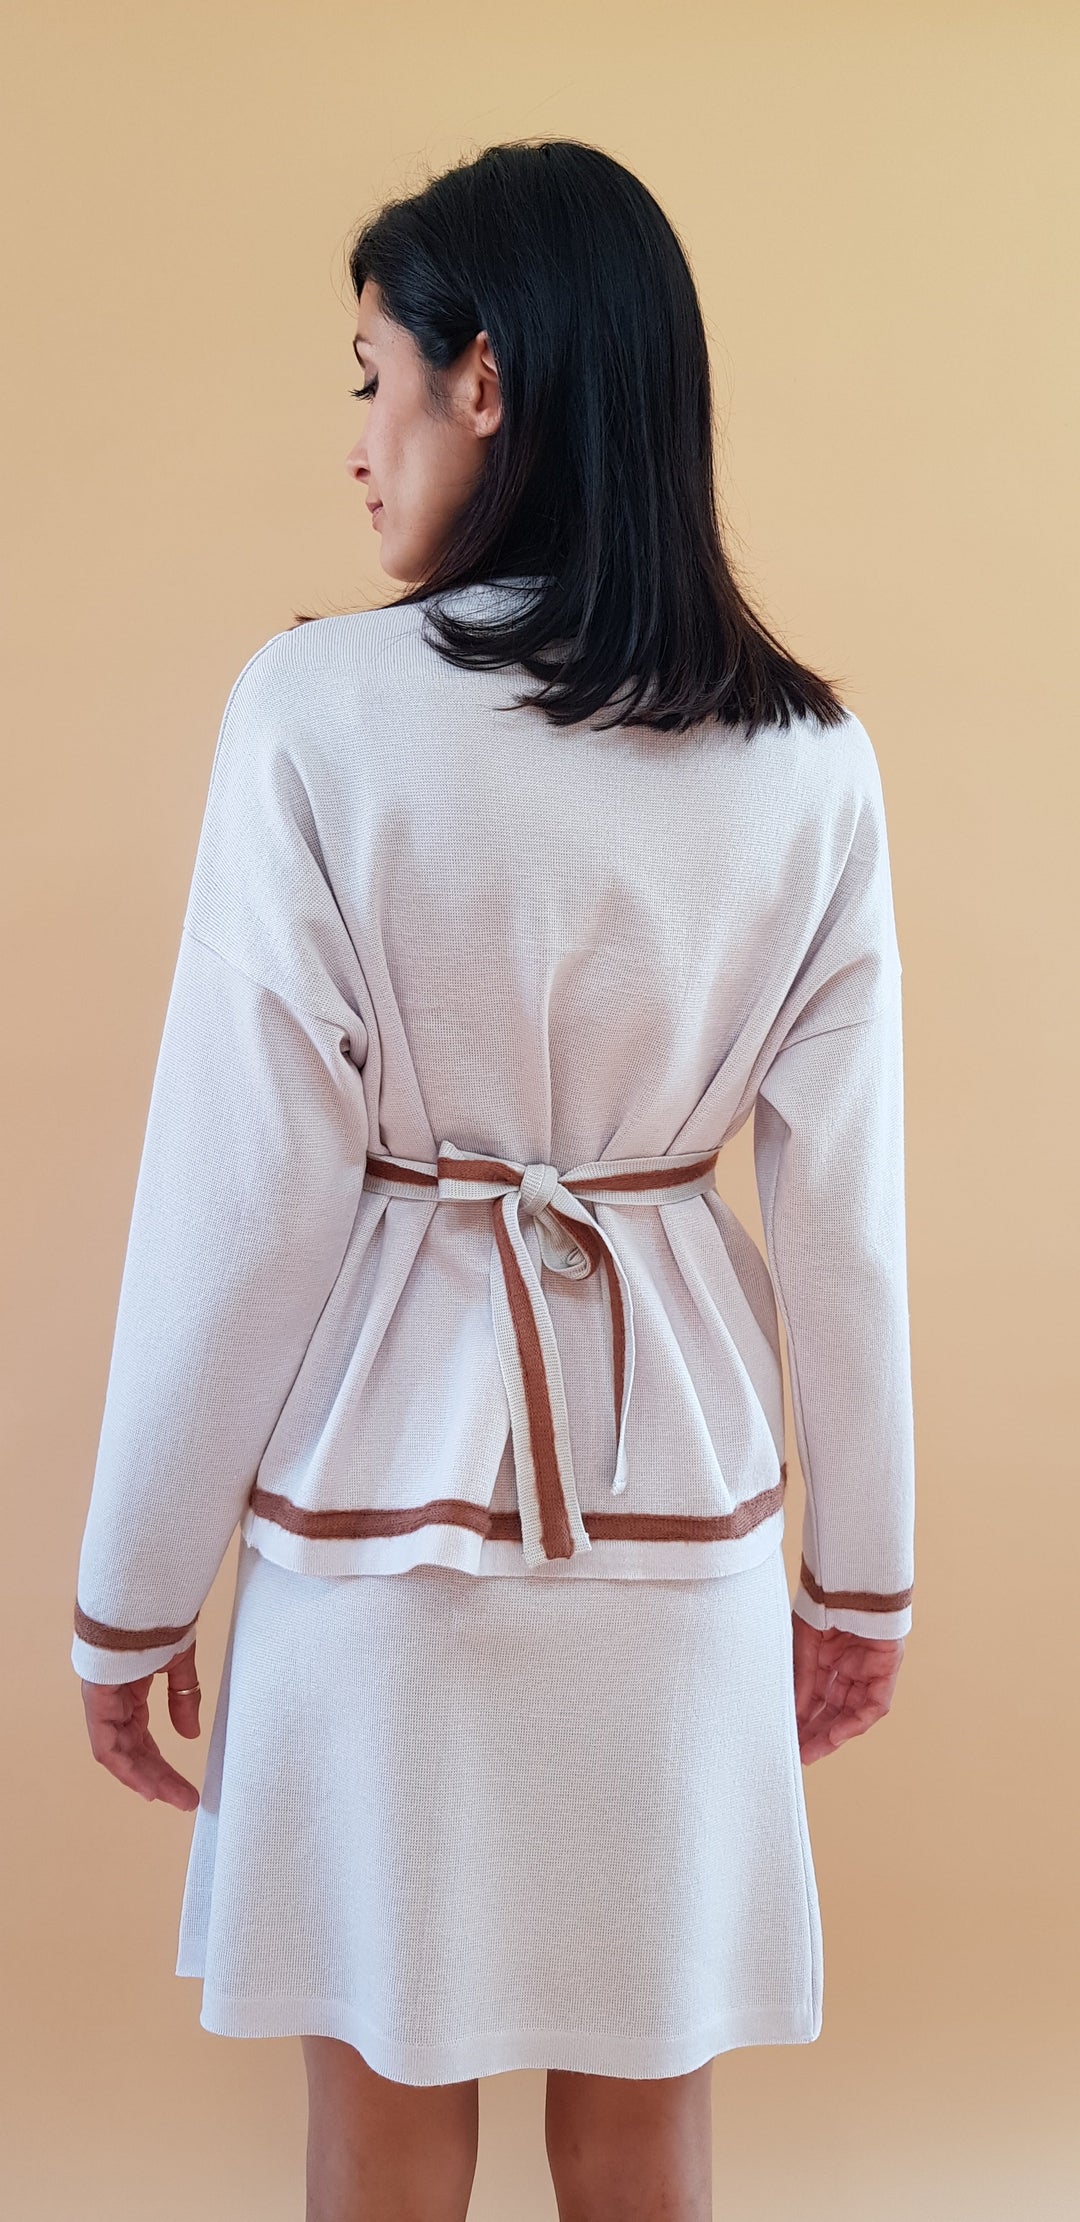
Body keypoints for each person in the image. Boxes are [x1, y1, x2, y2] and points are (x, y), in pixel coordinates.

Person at [72, 137, 913, 2222]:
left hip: (387, 1512)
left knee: (380, 2117)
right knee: (644, 2120)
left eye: (370, 377)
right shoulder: (809, 754)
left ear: (487, 380)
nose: (354, 444)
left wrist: (130, 1584)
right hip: (683, 1507)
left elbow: (242, 1195)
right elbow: (846, 1217)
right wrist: (860, 1573)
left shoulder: (315, 713)